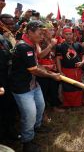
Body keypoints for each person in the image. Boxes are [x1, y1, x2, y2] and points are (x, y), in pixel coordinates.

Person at [10, 20, 61, 152]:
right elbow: (34, 70)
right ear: (30, 32)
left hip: (33, 84)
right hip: (22, 88)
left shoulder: (32, 44)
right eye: (40, 33)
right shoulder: (24, 47)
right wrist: (51, 75)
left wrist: (47, 69)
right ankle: (27, 142)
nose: (42, 36)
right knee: (30, 114)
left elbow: (36, 65)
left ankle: (37, 127)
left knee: (40, 106)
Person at [36, 22, 63, 112]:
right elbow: (40, 55)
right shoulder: (39, 41)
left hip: (53, 69)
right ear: (45, 31)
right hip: (43, 70)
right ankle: (43, 112)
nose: (52, 31)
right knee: (43, 90)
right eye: (50, 30)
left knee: (54, 89)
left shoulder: (54, 40)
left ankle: (55, 106)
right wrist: (50, 45)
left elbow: (55, 56)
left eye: (52, 29)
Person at [0, 14, 19, 142]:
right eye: (8, 24)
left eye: (13, 24)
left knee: (9, 108)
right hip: (1, 80)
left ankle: (9, 133)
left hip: (8, 79)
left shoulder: (7, 38)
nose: (11, 26)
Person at [56, 28, 84, 107]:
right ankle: (68, 104)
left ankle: (79, 103)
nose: (68, 36)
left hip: (77, 71)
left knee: (78, 87)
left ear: (73, 35)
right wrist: (60, 71)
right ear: (63, 35)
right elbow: (58, 59)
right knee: (67, 88)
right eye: (66, 34)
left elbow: (83, 54)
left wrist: (82, 62)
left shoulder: (78, 45)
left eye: (70, 34)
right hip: (66, 71)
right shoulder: (59, 46)